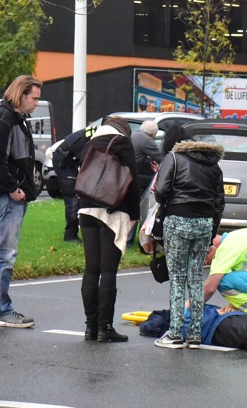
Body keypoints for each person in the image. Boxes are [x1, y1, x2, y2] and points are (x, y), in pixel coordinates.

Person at [150, 132, 225, 349]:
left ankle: (174, 334)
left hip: (177, 219)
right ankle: (194, 336)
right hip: (204, 222)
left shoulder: (173, 158)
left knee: (177, 278)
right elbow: (220, 202)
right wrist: (212, 230)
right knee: (195, 278)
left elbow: (161, 191)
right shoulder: (214, 166)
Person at [0, 75, 42, 329]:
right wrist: (13, 188)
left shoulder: (12, 118)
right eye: (34, 98)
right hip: (7, 196)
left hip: (9, 194)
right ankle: (1, 310)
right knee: (5, 254)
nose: (37, 103)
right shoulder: (5, 119)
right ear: (21, 95)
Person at [77, 117, 142, 342]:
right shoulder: (122, 144)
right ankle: (105, 328)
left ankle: (90, 328)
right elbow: (132, 182)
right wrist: (135, 216)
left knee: (91, 269)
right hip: (113, 211)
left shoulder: (89, 143)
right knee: (108, 271)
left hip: (86, 210)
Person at [53, 125, 93, 242]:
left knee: (75, 198)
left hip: (68, 159)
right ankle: (70, 235)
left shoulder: (94, 132)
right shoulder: (95, 136)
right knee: (72, 199)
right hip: (64, 161)